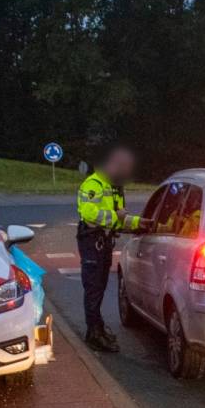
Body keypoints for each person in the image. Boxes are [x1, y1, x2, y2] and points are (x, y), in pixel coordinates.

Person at [76, 144, 142, 352]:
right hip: (92, 241)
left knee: (100, 286)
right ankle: (94, 333)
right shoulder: (93, 184)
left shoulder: (114, 187)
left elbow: (120, 218)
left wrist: (142, 223)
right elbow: (89, 213)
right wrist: (118, 217)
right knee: (94, 288)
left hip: (102, 242)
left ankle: (98, 328)